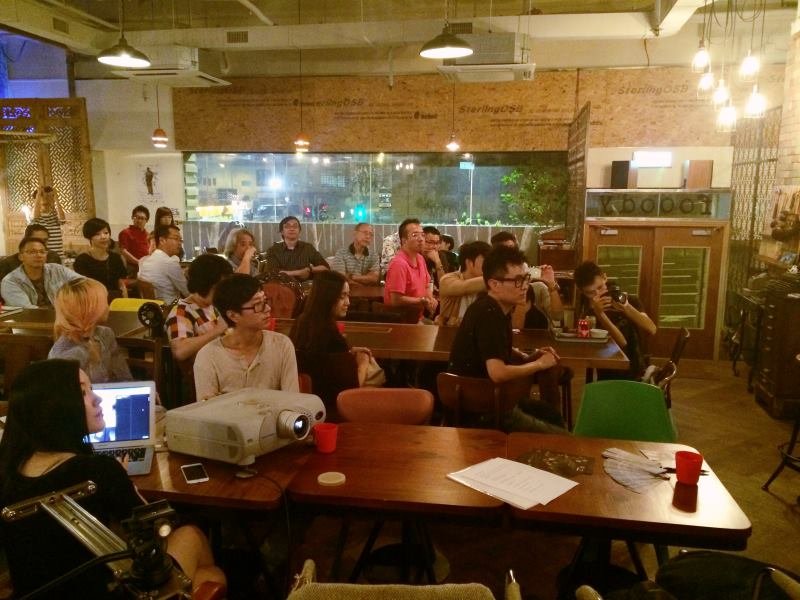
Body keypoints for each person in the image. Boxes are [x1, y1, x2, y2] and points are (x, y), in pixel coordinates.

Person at [0, 360, 226, 599]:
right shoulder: (97, 471)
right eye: (83, 392)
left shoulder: (8, 473)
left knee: (205, 574)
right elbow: (156, 531)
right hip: (110, 591)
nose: (97, 398)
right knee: (198, 549)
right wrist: (122, 482)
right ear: (55, 407)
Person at [448, 245, 566, 433]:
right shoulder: (489, 314)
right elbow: (498, 373)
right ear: (494, 284)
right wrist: (539, 364)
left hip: (490, 399)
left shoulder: (491, 307)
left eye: (526, 278)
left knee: (551, 415)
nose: (525, 286)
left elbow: (489, 347)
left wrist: (526, 356)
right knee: (560, 436)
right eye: (518, 281)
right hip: (484, 409)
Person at [193, 274, 299, 401]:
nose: (268, 309)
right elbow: (206, 409)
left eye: (265, 301)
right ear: (233, 315)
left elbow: (292, 400)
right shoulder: (208, 356)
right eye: (258, 305)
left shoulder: (281, 345)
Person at [574, 260, 657, 380]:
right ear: (582, 292)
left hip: (635, 368)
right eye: (590, 293)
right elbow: (610, 346)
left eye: (600, 287)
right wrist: (599, 313)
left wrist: (626, 307)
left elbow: (652, 328)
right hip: (607, 367)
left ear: (605, 278)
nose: (598, 294)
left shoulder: (628, 300)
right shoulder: (588, 313)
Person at [290, 270, 374, 387]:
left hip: (304, 393)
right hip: (330, 397)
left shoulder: (300, 323)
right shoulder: (332, 337)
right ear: (327, 297)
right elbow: (350, 388)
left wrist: (347, 353)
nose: (348, 302)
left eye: (348, 295)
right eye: (342, 296)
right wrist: (363, 363)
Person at [47, 278, 132, 382]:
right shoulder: (67, 356)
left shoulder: (105, 334)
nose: (108, 306)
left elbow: (124, 376)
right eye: (104, 302)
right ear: (90, 309)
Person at [166, 254, 233, 363]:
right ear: (205, 285)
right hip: (206, 370)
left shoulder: (214, 306)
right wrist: (218, 330)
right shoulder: (182, 311)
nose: (224, 292)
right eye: (220, 287)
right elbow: (180, 351)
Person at [1, 236, 83, 308]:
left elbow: (85, 283)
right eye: (32, 252)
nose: (38, 255)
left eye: (42, 252)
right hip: (31, 320)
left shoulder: (57, 269)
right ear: (21, 256)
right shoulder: (10, 281)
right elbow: (28, 310)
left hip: (63, 317)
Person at [383, 218, 438, 322]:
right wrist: (421, 301)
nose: (421, 239)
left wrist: (430, 299)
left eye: (422, 235)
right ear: (404, 240)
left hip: (417, 317)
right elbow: (396, 300)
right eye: (415, 235)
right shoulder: (399, 264)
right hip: (401, 320)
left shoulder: (420, 259)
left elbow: (426, 285)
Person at [437, 240, 491, 326]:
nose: (489, 266)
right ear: (469, 263)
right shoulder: (447, 279)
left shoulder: (489, 283)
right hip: (450, 332)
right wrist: (499, 279)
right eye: (485, 262)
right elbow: (464, 286)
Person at [74, 218, 128, 300]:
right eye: (97, 234)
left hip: (115, 299)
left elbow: (121, 283)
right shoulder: (82, 260)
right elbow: (83, 288)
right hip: (94, 300)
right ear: (89, 237)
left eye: (106, 233)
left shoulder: (115, 258)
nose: (103, 237)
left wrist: (125, 300)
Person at [264, 216, 329, 281]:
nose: (292, 229)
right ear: (282, 232)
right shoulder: (273, 250)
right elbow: (272, 273)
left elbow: (325, 267)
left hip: (305, 285)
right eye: (287, 226)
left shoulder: (308, 247)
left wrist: (310, 269)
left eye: (295, 226)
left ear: (299, 231)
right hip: (281, 285)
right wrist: (300, 272)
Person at [137, 224, 189, 304]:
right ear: (162, 240)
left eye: (180, 240)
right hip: (170, 308)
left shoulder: (146, 261)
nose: (180, 243)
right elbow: (187, 293)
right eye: (176, 239)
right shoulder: (170, 263)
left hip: (152, 308)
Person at [31, 184, 66, 256]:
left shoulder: (54, 215)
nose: (45, 199)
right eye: (42, 196)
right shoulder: (36, 216)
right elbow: (35, 217)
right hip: (44, 257)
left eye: (48, 196)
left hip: (58, 256)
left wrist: (56, 198)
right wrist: (38, 194)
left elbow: (63, 219)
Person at [118, 205, 150, 275]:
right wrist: (139, 263)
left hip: (147, 266)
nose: (139, 220)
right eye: (137, 217)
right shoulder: (125, 233)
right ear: (132, 217)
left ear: (147, 220)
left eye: (142, 218)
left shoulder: (148, 235)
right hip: (132, 267)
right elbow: (123, 251)